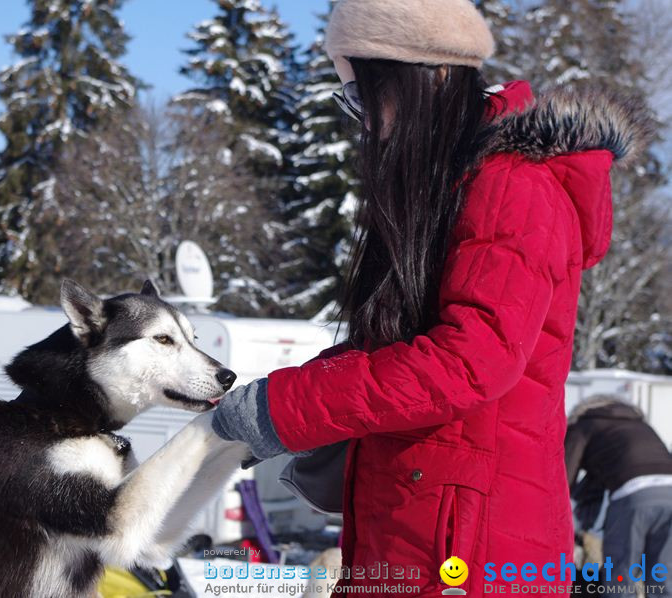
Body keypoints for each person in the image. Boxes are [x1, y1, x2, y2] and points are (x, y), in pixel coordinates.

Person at [211, 0, 651, 594]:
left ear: (432, 76)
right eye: (352, 103)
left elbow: (468, 361)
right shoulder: (454, 189)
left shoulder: (511, 187)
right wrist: (281, 407)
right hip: (422, 529)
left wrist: (289, 410)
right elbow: (395, 350)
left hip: (470, 550)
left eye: (368, 96)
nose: (366, 124)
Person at [565, 394, 672, 596]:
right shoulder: (640, 426)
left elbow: (562, 476)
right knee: (663, 577)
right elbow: (593, 488)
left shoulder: (585, 424)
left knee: (621, 576)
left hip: (633, 495)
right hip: (670, 491)